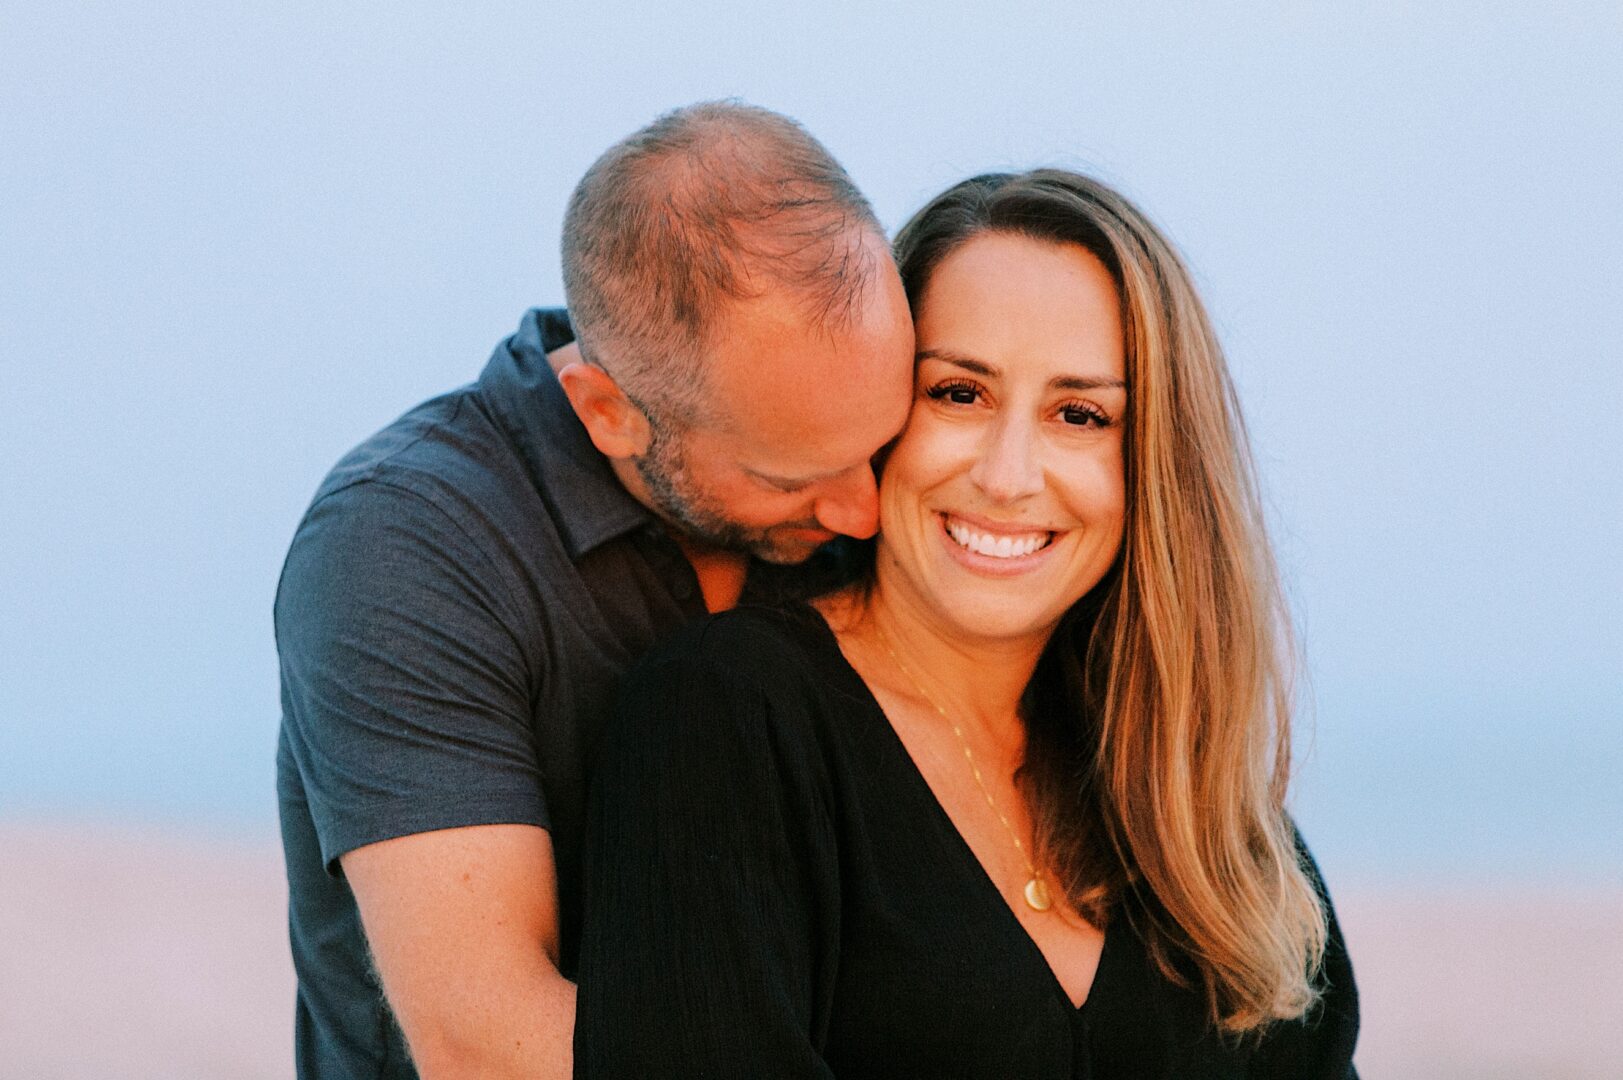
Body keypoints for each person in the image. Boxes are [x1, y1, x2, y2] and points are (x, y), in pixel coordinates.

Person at [574, 169, 1360, 1078]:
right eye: (958, 394)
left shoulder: (1199, 806)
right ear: (875, 407)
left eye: (1079, 414)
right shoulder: (725, 719)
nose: (1006, 474)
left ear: (1155, 466)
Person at [274, 101, 915, 1079]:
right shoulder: (409, 542)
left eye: (880, 446)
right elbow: (482, 1039)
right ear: (608, 412)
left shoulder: (838, 489)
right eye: (792, 478)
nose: (864, 517)